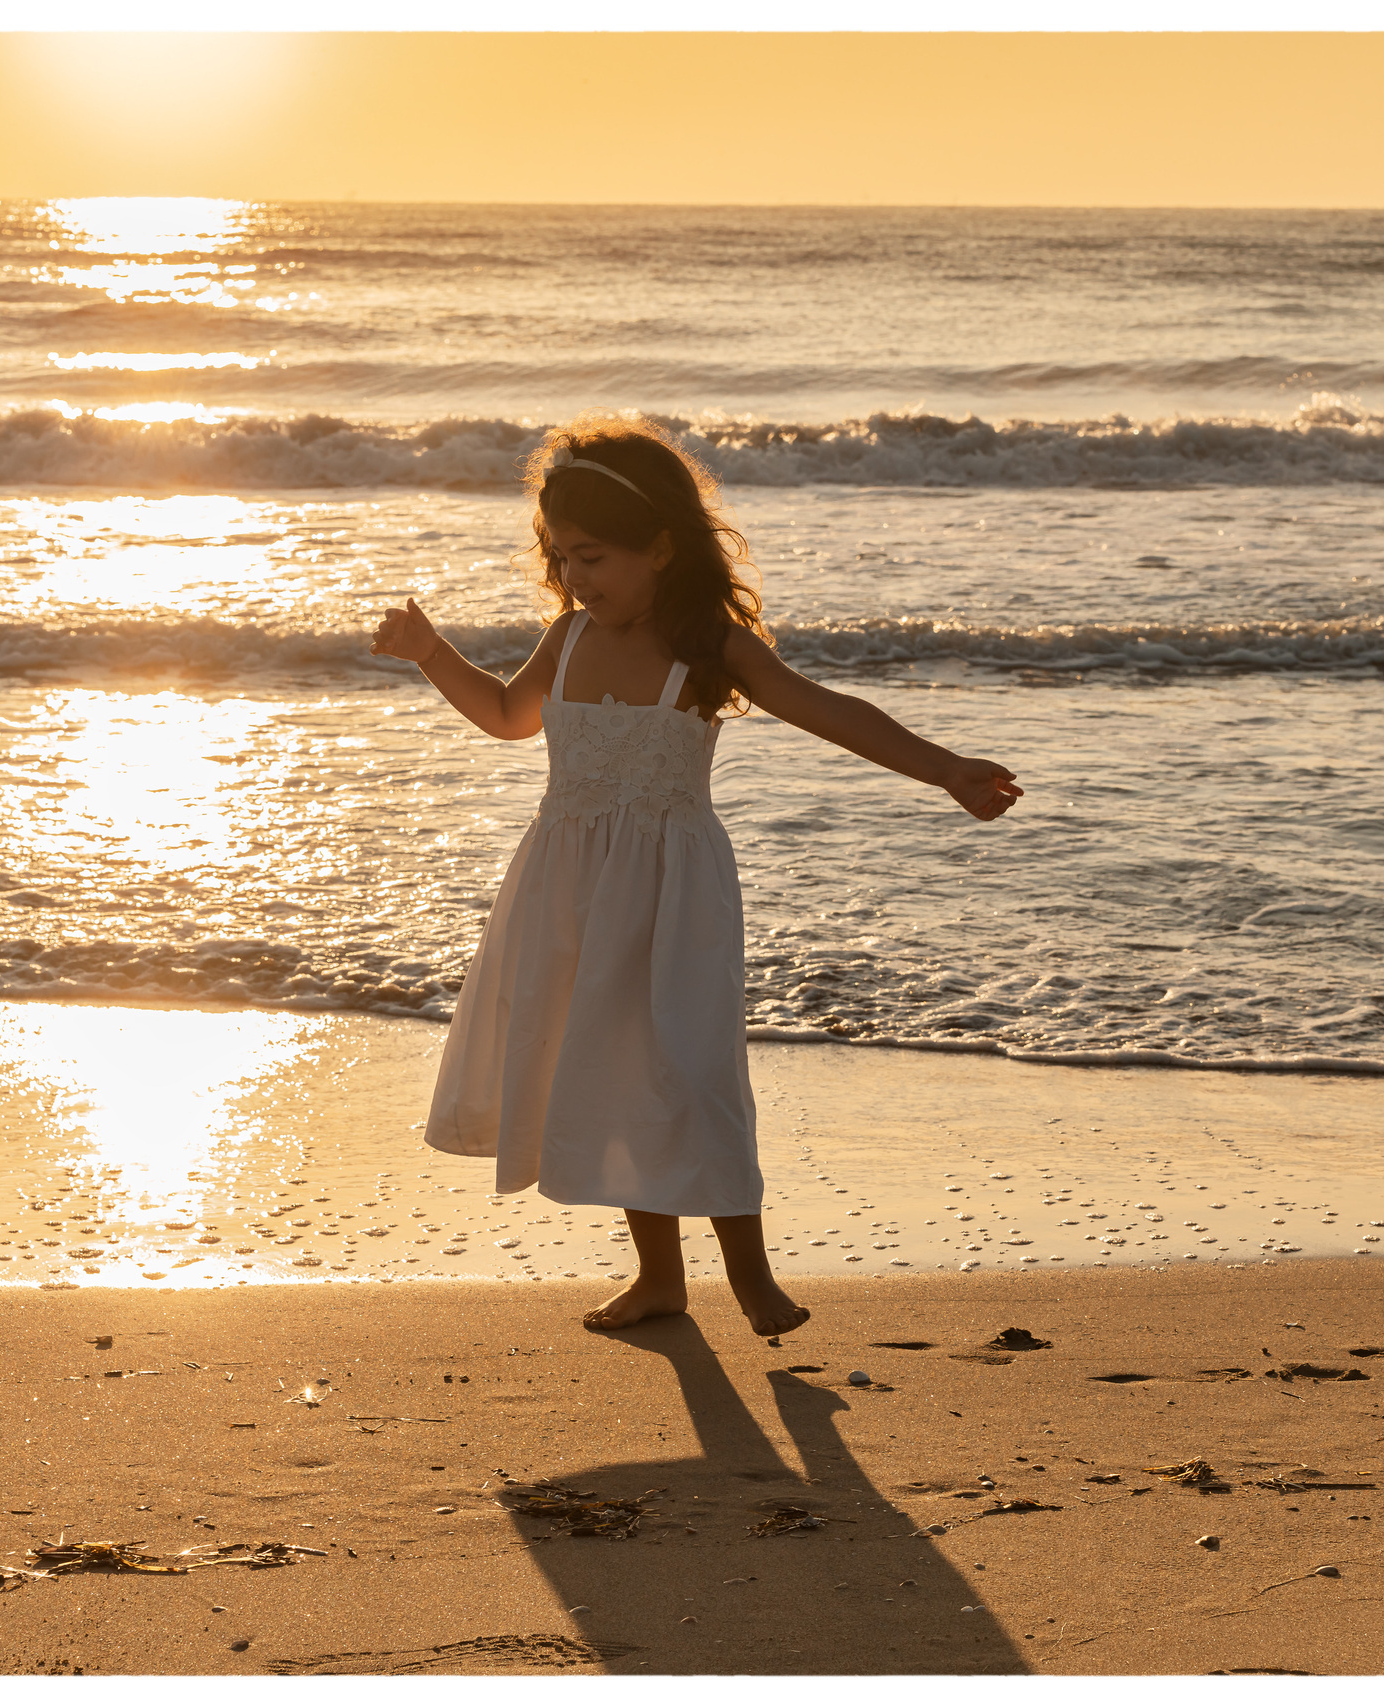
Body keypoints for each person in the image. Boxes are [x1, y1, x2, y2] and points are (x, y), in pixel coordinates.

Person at [370, 412, 1020, 1336]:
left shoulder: (708, 646)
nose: (572, 577)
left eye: (592, 557)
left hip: (673, 890)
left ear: (661, 549)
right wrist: (432, 652)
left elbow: (828, 710)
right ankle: (659, 1277)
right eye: (560, 558)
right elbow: (510, 717)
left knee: (692, 1067)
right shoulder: (568, 637)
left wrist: (944, 768)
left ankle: (751, 1276)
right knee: (609, 1066)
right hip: (567, 884)